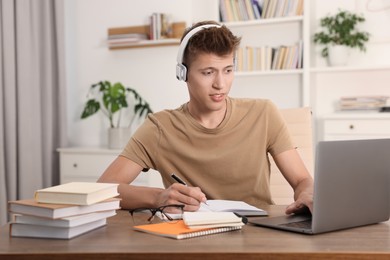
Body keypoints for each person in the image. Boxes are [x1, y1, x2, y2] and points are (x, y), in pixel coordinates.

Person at [98, 20, 313, 215]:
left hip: (257, 234)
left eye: (228, 70)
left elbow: (302, 180)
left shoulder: (264, 113)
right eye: (208, 72)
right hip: (192, 238)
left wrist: (307, 194)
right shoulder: (159, 128)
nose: (221, 84)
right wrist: (158, 198)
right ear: (183, 73)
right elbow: (102, 189)